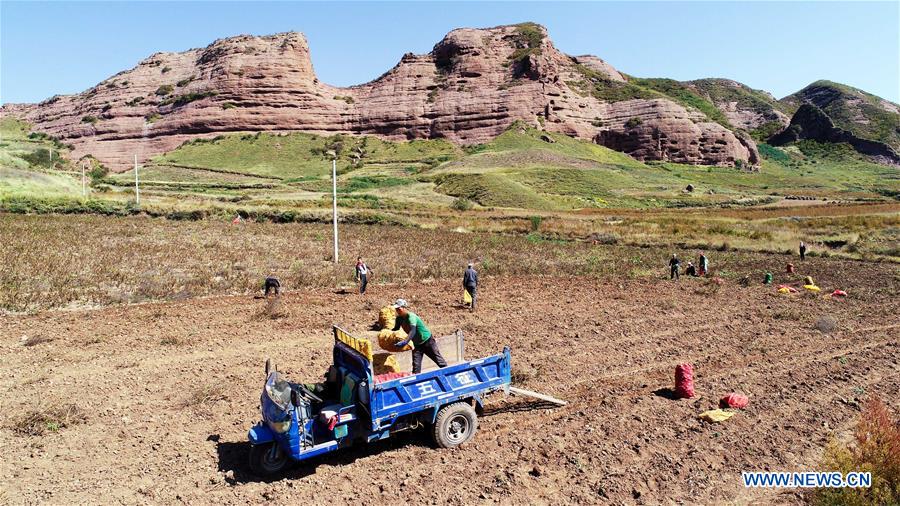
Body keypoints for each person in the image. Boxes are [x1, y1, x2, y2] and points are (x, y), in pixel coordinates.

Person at [391, 299, 447, 374]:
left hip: (427, 341)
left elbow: (413, 330)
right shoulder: (399, 319)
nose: (397, 310)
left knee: (439, 361)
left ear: (404, 308)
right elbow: (395, 330)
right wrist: (385, 333)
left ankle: (450, 375)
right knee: (416, 367)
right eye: (396, 309)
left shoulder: (411, 316)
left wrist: (405, 341)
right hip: (417, 345)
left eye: (399, 309)